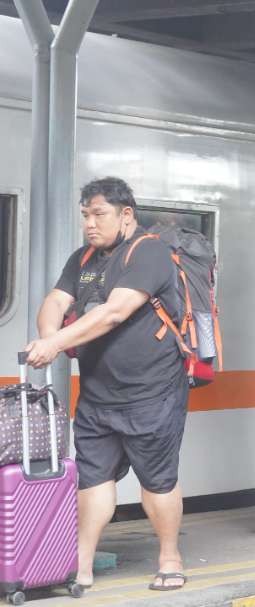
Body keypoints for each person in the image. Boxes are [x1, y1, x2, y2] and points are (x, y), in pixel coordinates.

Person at [22, 178, 189, 591]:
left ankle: (170, 556)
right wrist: (48, 339)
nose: (90, 224)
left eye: (99, 215)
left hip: (151, 392)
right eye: (85, 215)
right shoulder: (83, 259)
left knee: (157, 479)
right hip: (98, 395)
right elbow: (56, 302)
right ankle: (81, 565)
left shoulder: (149, 252)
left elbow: (115, 312)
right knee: (93, 478)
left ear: (126, 214)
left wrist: (57, 342)